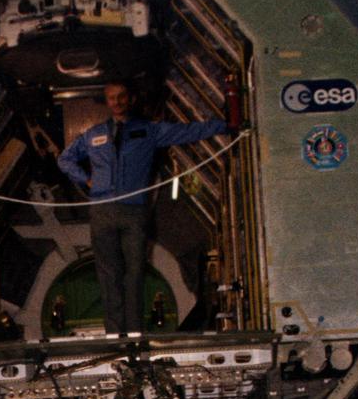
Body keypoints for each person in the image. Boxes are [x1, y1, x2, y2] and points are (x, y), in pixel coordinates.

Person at [57, 81, 230, 334]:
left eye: (121, 96)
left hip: (134, 212)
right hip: (102, 211)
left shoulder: (148, 131)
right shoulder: (93, 135)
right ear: (107, 101)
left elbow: (188, 131)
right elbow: (65, 159)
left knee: (134, 272)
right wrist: (86, 179)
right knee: (108, 275)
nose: (117, 102)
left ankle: (135, 333)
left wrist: (226, 125)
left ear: (130, 99)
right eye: (111, 98)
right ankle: (114, 334)